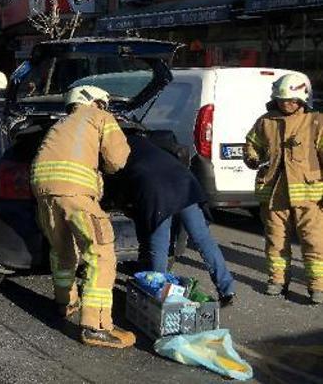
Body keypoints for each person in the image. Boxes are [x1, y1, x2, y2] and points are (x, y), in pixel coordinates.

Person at [31, 85, 135, 348]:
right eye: (104, 103)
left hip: (43, 192)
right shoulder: (100, 117)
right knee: (101, 253)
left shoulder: (59, 125)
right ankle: (96, 326)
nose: (105, 108)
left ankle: (66, 303)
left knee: (62, 249)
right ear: (95, 102)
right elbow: (117, 159)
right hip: (75, 193)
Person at [117, 134, 236, 307]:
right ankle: (227, 289)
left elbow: (125, 189)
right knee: (203, 240)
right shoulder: (149, 141)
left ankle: (159, 295)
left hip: (159, 191)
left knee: (159, 246)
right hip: (185, 183)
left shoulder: (119, 150)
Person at [244, 73, 323, 304]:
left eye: (290, 100)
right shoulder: (265, 121)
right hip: (273, 193)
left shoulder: (316, 122)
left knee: (314, 241)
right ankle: (277, 280)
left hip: (310, 195)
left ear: (302, 99)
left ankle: (317, 286)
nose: (285, 103)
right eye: (280, 99)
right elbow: (252, 144)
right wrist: (251, 157)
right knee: (276, 240)